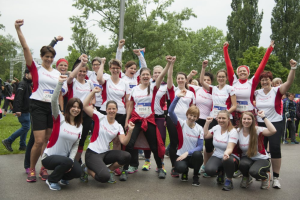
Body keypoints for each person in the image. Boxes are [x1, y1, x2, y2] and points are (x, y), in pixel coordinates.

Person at [15, 19, 61, 182]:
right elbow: (26, 48)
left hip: (52, 107)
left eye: (51, 57)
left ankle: (43, 168)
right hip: (38, 105)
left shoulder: (56, 73)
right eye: (46, 56)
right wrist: (18, 29)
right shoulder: (36, 68)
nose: (49, 59)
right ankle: (32, 169)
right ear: (41, 57)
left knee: (47, 141)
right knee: (38, 140)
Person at [254, 59, 297, 189]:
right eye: (262, 80)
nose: (265, 82)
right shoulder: (257, 92)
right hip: (261, 123)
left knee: (275, 149)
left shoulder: (277, 91)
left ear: (271, 81)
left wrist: (293, 68)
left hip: (276, 122)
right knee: (260, 150)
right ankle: (264, 175)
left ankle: (276, 177)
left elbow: (289, 82)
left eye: (267, 79)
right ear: (260, 82)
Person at [123, 65, 170, 180]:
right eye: (143, 74)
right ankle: (125, 169)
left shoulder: (154, 87)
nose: (145, 76)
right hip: (136, 120)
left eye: (147, 75)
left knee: (154, 146)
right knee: (129, 144)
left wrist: (168, 64)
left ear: (150, 77)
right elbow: (130, 106)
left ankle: (160, 168)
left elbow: (162, 75)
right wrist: (127, 121)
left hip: (149, 120)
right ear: (139, 77)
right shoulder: (135, 89)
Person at [80, 87, 133, 184]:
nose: (111, 111)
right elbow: (84, 106)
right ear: (106, 110)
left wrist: (130, 131)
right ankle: (86, 169)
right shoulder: (99, 117)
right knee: (104, 177)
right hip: (93, 153)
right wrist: (93, 92)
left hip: (105, 154)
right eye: (109, 109)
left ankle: (109, 170)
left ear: (117, 110)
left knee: (127, 156)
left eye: (113, 109)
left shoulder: (118, 126)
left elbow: (124, 141)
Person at [41, 75, 82, 191]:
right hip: (49, 157)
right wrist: (59, 84)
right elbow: (53, 101)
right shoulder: (59, 119)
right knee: (67, 162)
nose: (76, 109)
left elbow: (75, 145)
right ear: (69, 107)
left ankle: (63, 177)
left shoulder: (80, 126)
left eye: (78, 107)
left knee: (78, 171)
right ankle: (51, 180)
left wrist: (71, 161)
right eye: (73, 106)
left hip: (65, 160)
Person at [200, 60, 237, 178]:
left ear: (226, 78)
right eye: (219, 77)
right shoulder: (213, 88)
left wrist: (224, 114)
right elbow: (201, 81)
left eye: (223, 77)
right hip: (214, 118)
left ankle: (226, 166)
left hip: (225, 119)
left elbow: (234, 105)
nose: (221, 78)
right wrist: (203, 68)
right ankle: (208, 166)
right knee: (209, 143)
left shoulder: (230, 89)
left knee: (226, 142)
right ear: (217, 78)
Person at [223, 41, 275, 126]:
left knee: (252, 137)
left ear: (248, 73)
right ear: (237, 73)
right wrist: (225, 49)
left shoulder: (252, 82)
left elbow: (261, 66)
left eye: (244, 71)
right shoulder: (234, 81)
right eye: (240, 71)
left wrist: (269, 50)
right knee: (237, 136)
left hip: (249, 113)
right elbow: (228, 66)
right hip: (236, 113)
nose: (242, 72)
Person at [169, 89, 204, 186]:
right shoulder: (181, 123)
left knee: (198, 154)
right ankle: (185, 171)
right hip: (181, 155)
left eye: (195, 116)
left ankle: (196, 175)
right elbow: (170, 111)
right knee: (179, 168)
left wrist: (188, 153)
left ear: (197, 118)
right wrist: (177, 97)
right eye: (191, 115)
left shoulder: (200, 128)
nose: (192, 118)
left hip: (192, 157)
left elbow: (200, 147)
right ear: (187, 115)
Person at [65, 54, 95, 162]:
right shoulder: (72, 82)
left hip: (85, 114)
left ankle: (78, 161)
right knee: (71, 137)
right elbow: (71, 76)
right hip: (73, 113)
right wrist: (81, 63)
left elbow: (93, 97)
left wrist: (92, 104)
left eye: (84, 71)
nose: (82, 73)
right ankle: (67, 159)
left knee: (82, 139)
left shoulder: (89, 83)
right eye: (80, 71)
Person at [167, 68, 196, 177]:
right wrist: (171, 64)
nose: (180, 80)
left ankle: (184, 165)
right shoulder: (172, 90)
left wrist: (192, 121)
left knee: (183, 143)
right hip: (172, 119)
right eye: (178, 78)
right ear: (176, 80)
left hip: (185, 121)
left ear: (186, 80)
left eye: (182, 78)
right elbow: (169, 77)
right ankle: (174, 167)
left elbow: (193, 108)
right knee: (174, 144)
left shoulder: (190, 93)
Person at [237, 111, 276, 189]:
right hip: (247, 157)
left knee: (254, 171)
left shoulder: (258, 129)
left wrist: (263, 117)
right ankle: (246, 177)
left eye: (249, 119)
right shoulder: (238, 131)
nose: (246, 121)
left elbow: (273, 131)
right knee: (241, 164)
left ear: (253, 120)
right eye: (244, 119)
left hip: (261, 158)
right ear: (241, 120)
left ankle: (265, 177)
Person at [204, 110, 239, 191]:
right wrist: (207, 123)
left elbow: (230, 148)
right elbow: (206, 136)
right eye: (219, 118)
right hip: (217, 155)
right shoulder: (216, 128)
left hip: (230, 156)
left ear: (228, 119)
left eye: (223, 118)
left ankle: (229, 180)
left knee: (227, 160)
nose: (221, 120)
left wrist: (226, 154)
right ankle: (221, 172)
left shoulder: (233, 131)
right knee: (209, 170)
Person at [187, 69, 213, 176]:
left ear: (211, 82)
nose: (206, 81)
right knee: (193, 143)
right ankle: (189, 165)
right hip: (196, 120)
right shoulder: (197, 89)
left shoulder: (214, 91)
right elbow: (185, 82)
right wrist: (191, 74)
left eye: (208, 80)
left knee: (208, 146)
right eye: (204, 79)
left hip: (209, 121)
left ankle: (206, 165)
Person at [2, 69, 32, 152]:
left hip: (26, 109)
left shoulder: (28, 84)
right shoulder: (23, 84)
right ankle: (8, 140)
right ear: (26, 74)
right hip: (23, 110)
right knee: (26, 127)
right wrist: (17, 110)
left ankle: (22, 145)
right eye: (32, 73)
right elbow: (18, 98)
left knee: (25, 127)